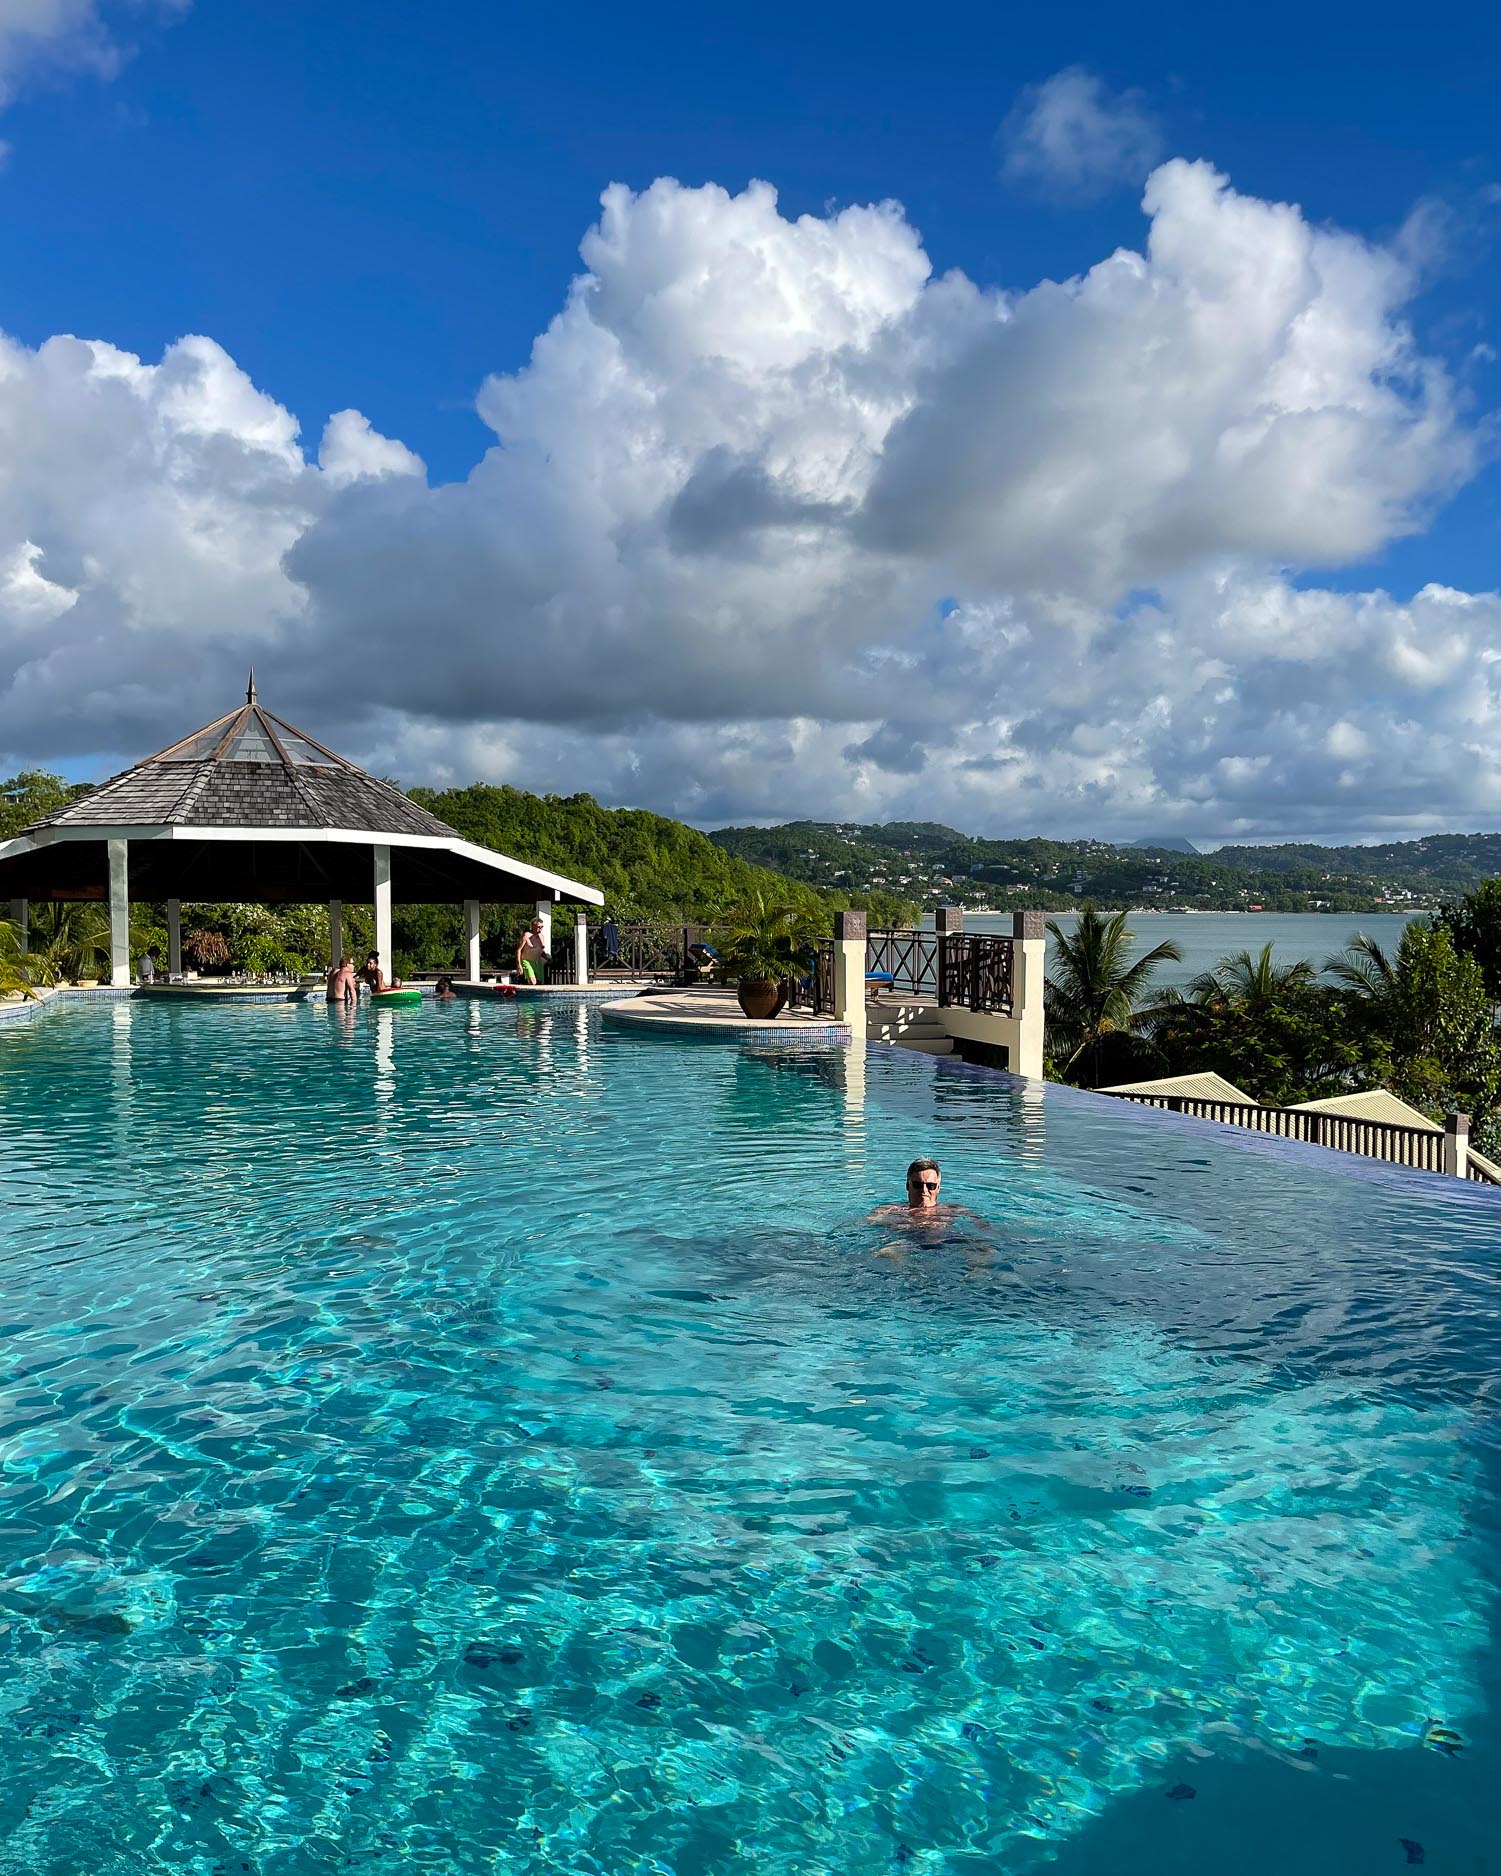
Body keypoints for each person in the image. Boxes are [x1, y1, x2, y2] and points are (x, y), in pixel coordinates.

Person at [516, 919, 550, 985]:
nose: (540, 929)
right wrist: (519, 964)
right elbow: (518, 950)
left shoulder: (541, 936)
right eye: (538, 927)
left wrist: (547, 958)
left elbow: (540, 951)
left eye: (542, 927)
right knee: (532, 982)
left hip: (537, 962)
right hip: (527, 961)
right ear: (533, 926)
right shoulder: (526, 935)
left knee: (539, 983)